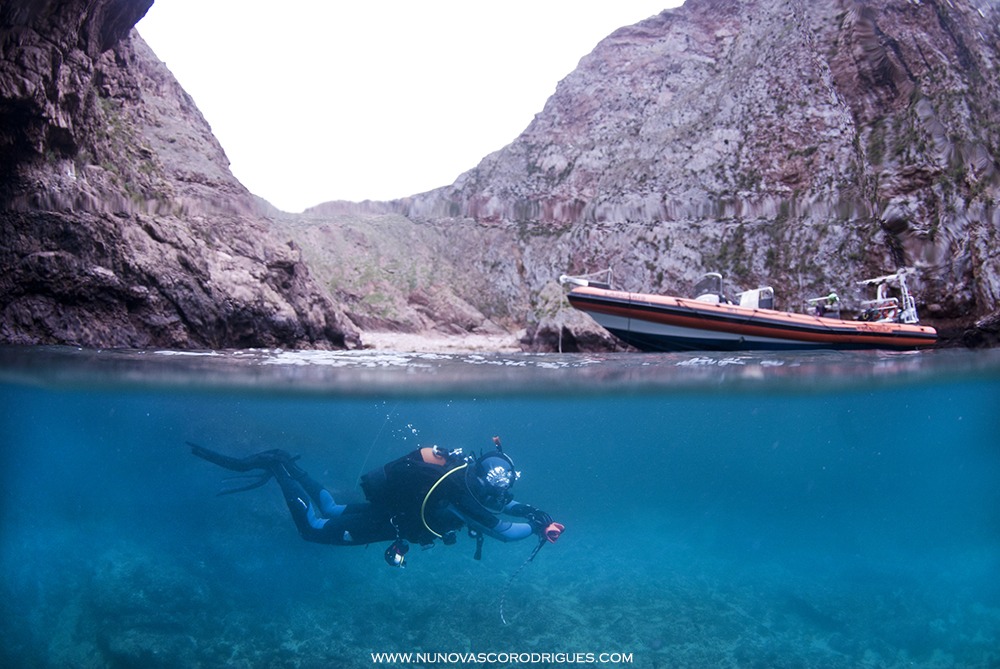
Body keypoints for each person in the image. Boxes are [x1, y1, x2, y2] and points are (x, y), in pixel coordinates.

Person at [191, 437, 564, 567]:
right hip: (388, 522)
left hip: (393, 511)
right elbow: (502, 531)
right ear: (486, 481)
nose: (498, 497)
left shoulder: (464, 479)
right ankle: (278, 467)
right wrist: (536, 529)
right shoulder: (461, 493)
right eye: (496, 490)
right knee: (312, 529)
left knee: (332, 509)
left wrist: (533, 514)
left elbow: (502, 506)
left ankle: (286, 462)